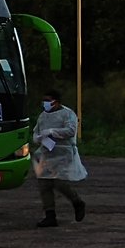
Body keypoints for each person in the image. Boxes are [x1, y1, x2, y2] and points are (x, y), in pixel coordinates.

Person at [31, 89, 87, 227]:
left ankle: (77, 202)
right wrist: (38, 138)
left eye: (48, 101)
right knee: (44, 184)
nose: (45, 104)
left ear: (56, 102)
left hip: (63, 153)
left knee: (59, 183)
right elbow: (36, 132)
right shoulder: (43, 116)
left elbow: (70, 130)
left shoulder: (68, 114)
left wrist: (52, 132)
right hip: (47, 152)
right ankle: (50, 216)